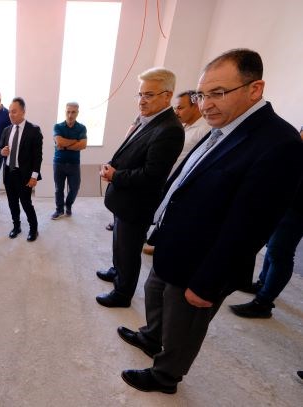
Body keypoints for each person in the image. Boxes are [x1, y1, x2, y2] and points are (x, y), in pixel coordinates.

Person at [118, 49, 303, 394]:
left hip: (202, 259)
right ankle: (151, 337)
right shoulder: (226, 125)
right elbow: (189, 178)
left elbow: (250, 226)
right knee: (155, 292)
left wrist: (208, 282)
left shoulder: (279, 143)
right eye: (202, 95)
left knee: (184, 322)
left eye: (218, 93)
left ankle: (166, 375)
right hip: (175, 242)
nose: (206, 105)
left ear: (255, 88)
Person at [96, 67, 184, 308]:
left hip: (137, 204)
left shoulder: (169, 129)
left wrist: (116, 175)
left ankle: (122, 294)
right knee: (119, 243)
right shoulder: (149, 121)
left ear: (167, 96)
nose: (142, 100)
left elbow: (152, 175)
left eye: (149, 95)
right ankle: (117, 271)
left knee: (129, 250)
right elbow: (129, 152)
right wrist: (112, 165)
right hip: (124, 200)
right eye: (140, 94)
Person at [229, 130, 303, 318]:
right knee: (272, 247)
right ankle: (263, 284)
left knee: (280, 252)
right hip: (284, 204)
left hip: (297, 210)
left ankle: (263, 303)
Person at [142, 90, 211, 255]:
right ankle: (154, 241)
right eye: (175, 108)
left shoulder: (204, 129)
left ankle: (161, 245)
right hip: (167, 179)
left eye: (180, 108)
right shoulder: (182, 125)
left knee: (170, 216)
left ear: (195, 106)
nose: (176, 112)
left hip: (181, 183)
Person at [0, 97, 43, 242]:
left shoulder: (34, 130)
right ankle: (16, 226)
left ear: (23, 112)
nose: (10, 114)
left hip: (24, 175)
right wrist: (2, 152)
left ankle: (33, 229)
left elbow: (38, 157)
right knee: (12, 202)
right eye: (9, 112)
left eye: (14, 111)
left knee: (26, 203)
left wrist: (34, 176)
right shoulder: (7, 130)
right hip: (8, 173)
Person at [51, 102, 87, 219]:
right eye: (68, 112)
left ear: (77, 113)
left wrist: (65, 146)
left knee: (75, 188)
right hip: (59, 163)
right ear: (65, 112)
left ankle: (68, 205)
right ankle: (59, 210)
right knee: (58, 189)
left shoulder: (81, 128)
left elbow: (83, 145)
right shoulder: (57, 126)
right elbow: (59, 142)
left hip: (74, 164)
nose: (70, 115)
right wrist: (75, 141)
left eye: (73, 112)